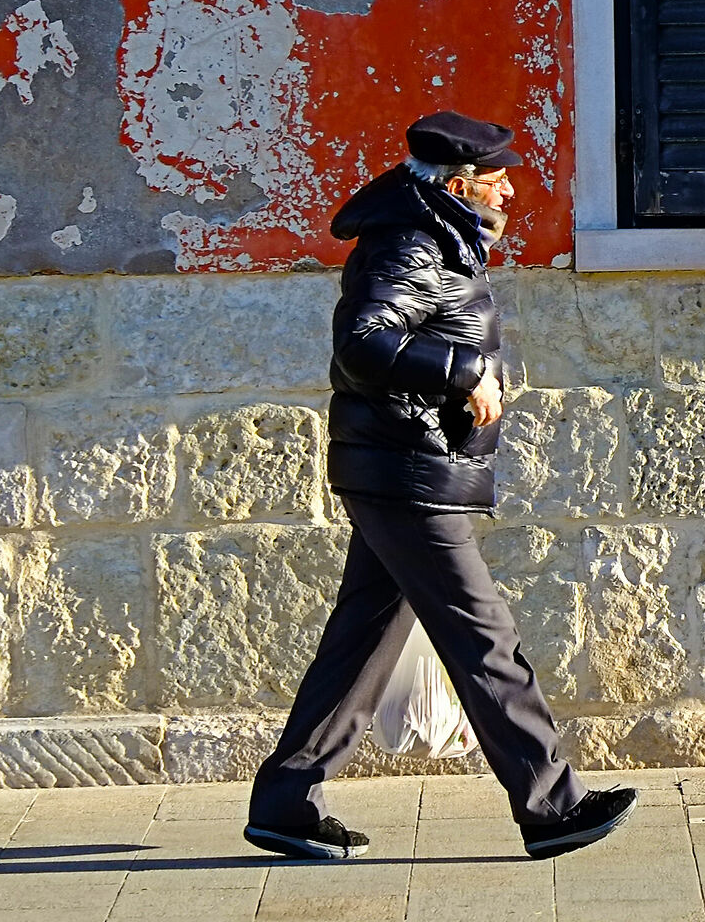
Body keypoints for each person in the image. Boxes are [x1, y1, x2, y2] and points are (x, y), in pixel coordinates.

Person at [244, 111, 634, 862]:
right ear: (458, 185)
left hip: (401, 465)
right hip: (408, 472)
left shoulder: (436, 233)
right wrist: (463, 374)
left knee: (363, 640)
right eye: (497, 181)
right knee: (482, 635)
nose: (512, 193)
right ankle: (553, 806)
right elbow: (363, 343)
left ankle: (287, 803)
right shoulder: (411, 242)